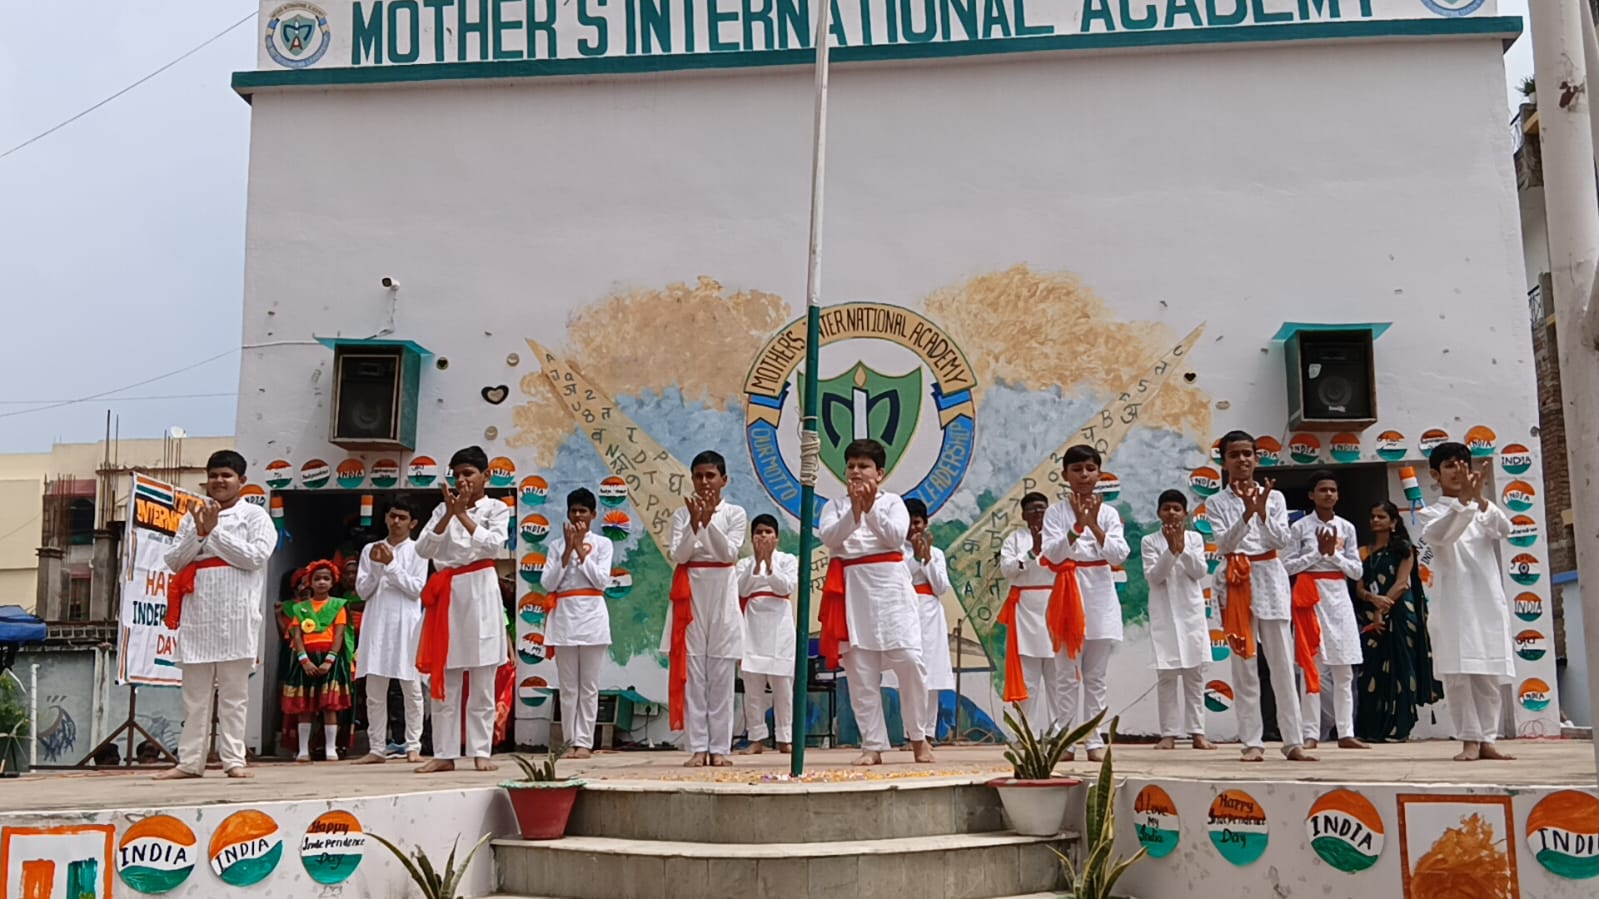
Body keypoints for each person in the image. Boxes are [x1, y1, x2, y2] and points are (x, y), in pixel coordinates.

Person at [156, 450, 276, 780]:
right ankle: (189, 762)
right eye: (213, 476)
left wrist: (213, 535)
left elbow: (254, 557)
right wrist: (199, 533)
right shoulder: (191, 517)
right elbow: (175, 560)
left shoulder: (254, 517)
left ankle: (234, 760)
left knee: (234, 696)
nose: (219, 481)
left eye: (226, 475)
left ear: (242, 481)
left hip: (236, 614)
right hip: (199, 614)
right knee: (194, 697)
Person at [818, 438, 933, 766]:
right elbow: (830, 538)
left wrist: (868, 508)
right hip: (853, 588)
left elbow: (896, 537)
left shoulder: (894, 502)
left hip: (891, 586)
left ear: (879, 472)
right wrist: (855, 510)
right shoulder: (835, 506)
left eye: (863, 466)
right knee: (860, 670)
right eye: (851, 466)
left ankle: (919, 738)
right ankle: (873, 744)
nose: (856, 472)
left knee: (910, 661)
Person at [1209, 431, 1315, 763]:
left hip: (1269, 577)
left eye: (1248, 453)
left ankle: (1293, 741)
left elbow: (1281, 540)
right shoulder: (1215, 502)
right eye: (1235, 454)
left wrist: (1262, 511)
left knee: (1283, 663)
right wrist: (1245, 513)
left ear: (1256, 458)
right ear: (1224, 461)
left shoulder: (1277, 497)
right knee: (1244, 666)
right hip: (1236, 580)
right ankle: (1252, 742)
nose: (1242, 460)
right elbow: (1225, 544)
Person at [414, 446, 511, 773]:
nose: (462, 480)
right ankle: (444, 753)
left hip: (481, 590)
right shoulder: (442, 509)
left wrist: (463, 515)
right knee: (446, 679)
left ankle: (481, 751)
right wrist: (447, 514)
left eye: (468, 474)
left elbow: (494, 545)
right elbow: (423, 548)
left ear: (486, 476)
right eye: (456, 475)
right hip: (448, 596)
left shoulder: (497, 508)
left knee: (483, 679)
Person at [1417, 442, 1516, 762]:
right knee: (1458, 675)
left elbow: (1503, 528)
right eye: (1450, 466)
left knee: (1488, 675)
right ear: (1435, 474)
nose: (1458, 472)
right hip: (1453, 604)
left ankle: (1488, 739)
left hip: (1486, 599)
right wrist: (1463, 503)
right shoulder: (1430, 512)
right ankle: (1469, 740)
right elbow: (1442, 536)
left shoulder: (1484, 509)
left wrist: (1479, 499)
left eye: (1463, 465)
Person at [1041, 445, 1130, 762]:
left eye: (1090, 469)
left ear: (1099, 474)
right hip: (1069, 592)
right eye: (1077, 470)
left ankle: (1093, 738)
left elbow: (1119, 555)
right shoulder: (1055, 513)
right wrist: (1077, 527)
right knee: (1066, 676)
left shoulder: (1108, 513)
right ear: (1065, 475)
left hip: (1101, 595)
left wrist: (1093, 524)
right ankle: (1065, 740)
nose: (1084, 475)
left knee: (1095, 676)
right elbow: (1052, 553)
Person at [666, 451, 747, 767]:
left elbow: (728, 552)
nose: (704, 482)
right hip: (691, 591)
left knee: (721, 673)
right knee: (695, 671)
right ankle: (698, 747)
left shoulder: (735, 513)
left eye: (710, 476)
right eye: (698, 476)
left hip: (723, 589)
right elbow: (680, 554)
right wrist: (693, 525)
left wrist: (708, 523)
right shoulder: (681, 515)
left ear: (724, 480)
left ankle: (720, 749)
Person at [1285, 471, 1368, 750]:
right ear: (1311, 495)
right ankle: (1310, 733)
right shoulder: (1299, 528)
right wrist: (1318, 554)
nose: (1328, 494)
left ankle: (1346, 733)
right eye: (1323, 490)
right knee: (1312, 668)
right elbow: (1287, 566)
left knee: (1344, 670)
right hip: (1310, 598)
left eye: (1333, 490)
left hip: (1339, 598)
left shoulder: (1347, 527)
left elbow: (1357, 571)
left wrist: (1333, 555)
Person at [1355, 500, 1440, 742]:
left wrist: (1384, 606)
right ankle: (1371, 729)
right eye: (1373, 516)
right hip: (1372, 614)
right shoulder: (1364, 552)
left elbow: (1402, 583)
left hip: (1401, 613)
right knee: (1372, 671)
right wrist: (1373, 599)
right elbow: (1359, 587)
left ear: (1393, 522)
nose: (1375, 520)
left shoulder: (1404, 548)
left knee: (1401, 669)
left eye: (1381, 517)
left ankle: (1399, 728)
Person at [352, 499, 428, 764]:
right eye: (392, 516)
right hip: (376, 624)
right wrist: (377, 567)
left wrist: (391, 565)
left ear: (413, 523)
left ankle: (413, 746)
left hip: (406, 625)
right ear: (386, 518)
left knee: (412, 688)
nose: (396, 522)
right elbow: (362, 590)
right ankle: (376, 748)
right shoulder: (370, 549)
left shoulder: (419, 550)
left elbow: (416, 589)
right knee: (374, 690)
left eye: (402, 517)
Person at [540, 488, 614, 760]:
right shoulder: (557, 546)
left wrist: (582, 552)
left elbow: (601, 581)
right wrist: (567, 551)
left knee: (589, 686)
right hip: (563, 617)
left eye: (583, 511)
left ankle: (585, 742)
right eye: (574, 511)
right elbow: (548, 583)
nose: (578, 515)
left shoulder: (603, 544)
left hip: (592, 616)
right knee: (568, 686)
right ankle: (569, 742)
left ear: (593, 514)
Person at [1140, 489, 1214, 751]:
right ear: (1159, 512)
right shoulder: (1149, 541)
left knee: (1194, 676)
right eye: (1166, 508)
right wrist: (1170, 552)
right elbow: (1154, 577)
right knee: (1167, 677)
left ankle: (1198, 733)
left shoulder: (1194, 538)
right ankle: (1168, 734)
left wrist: (1182, 550)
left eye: (1176, 508)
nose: (1171, 512)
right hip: (1165, 615)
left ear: (1185, 513)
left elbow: (1200, 571)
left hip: (1190, 614)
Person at [998, 492, 1068, 737]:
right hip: (1026, 609)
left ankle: (1061, 735)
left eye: (1043, 509)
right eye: (1033, 509)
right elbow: (1007, 570)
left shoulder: (1059, 538)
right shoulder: (1015, 539)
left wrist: (1045, 548)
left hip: (1056, 604)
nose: (1039, 513)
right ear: (1024, 515)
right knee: (1028, 679)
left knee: (1058, 678)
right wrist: (1032, 552)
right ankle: (1024, 736)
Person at [734, 514, 797, 754]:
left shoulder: (788, 560)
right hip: (752, 623)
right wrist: (757, 563)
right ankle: (756, 738)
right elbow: (741, 589)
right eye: (759, 532)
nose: (763, 536)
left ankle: (785, 738)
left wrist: (769, 564)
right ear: (752, 537)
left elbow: (786, 587)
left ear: (777, 537)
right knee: (753, 687)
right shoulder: (744, 564)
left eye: (768, 532)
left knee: (782, 685)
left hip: (779, 623)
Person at [282, 560, 353, 762]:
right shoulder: (300, 608)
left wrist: (329, 661)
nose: (322, 582)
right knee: (304, 706)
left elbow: (339, 636)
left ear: (333, 582)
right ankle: (304, 750)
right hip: (306, 660)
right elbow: (297, 636)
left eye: (326, 579)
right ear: (309, 582)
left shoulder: (338, 606)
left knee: (330, 706)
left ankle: (331, 748)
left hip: (329, 660)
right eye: (317, 578)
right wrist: (304, 660)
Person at [903, 498, 954, 745]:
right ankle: (910, 732)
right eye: (909, 523)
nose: (913, 529)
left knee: (931, 673)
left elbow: (941, 586)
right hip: (905, 612)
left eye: (917, 523)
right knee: (909, 672)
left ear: (925, 523)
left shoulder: (937, 553)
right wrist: (914, 557)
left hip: (930, 612)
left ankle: (929, 731)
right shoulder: (895, 552)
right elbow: (901, 580)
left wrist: (927, 560)